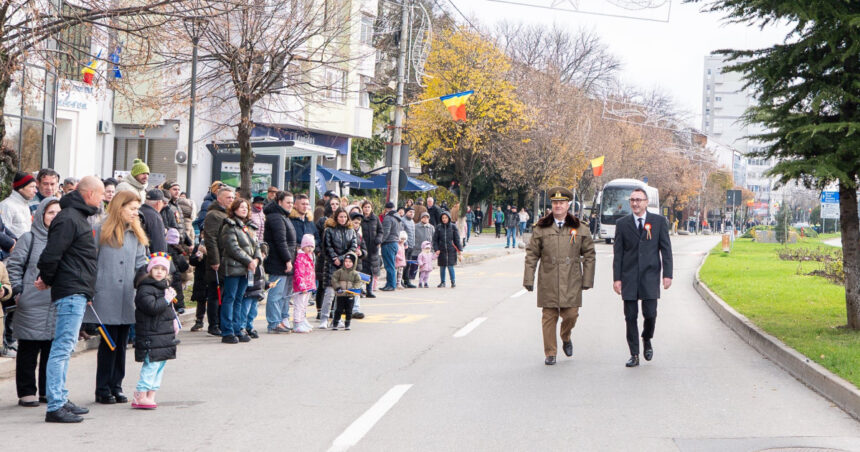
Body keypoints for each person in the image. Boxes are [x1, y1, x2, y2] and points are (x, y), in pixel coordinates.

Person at [36, 176, 104, 423]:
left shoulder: (76, 216)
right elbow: (51, 254)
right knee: (62, 348)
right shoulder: (69, 218)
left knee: (65, 347)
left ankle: (61, 398)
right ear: (90, 194)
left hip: (75, 289)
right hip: (70, 290)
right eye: (100, 195)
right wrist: (47, 278)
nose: (102, 199)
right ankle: (55, 405)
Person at [82, 190, 149, 404]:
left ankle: (116, 385)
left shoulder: (136, 233)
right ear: (120, 207)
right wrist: (89, 289)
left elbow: (141, 264)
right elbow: (89, 262)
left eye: (137, 209)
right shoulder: (100, 229)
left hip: (127, 296)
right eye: (132, 209)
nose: (135, 213)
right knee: (108, 344)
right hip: (106, 295)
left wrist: (149, 280)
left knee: (121, 343)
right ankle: (102, 388)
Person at [523, 187, 595, 366]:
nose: (558, 206)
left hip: (571, 279)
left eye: (562, 202)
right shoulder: (541, 227)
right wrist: (529, 279)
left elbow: (589, 254)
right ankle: (550, 353)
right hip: (548, 279)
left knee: (571, 315)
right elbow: (532, 255)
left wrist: (587, 280)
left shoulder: (579, 227)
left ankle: (565, 335)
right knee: (549, 316)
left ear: (568, 205)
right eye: (555, 202)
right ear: (551, 205)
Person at [8, 197, 60, 407]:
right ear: (40, 215)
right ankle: (27, 391)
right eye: (50, 212)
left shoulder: (64, 238)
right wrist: (19, 291)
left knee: (51, 351)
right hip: (31, 302)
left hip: (56, 303)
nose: (54, 217)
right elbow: (14, 266)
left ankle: (47, 390)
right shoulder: (28, 238)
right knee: (29, 350)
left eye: (58, 213)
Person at [613, 187, 673, 368]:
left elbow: (666, 250)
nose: (635, 203)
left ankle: (647, 338)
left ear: (646, 202)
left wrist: (667, 275)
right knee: (630, 317)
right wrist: (617, 278)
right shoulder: (622, 224)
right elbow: (618, 254)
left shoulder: (659, 222)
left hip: (650, 276)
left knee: (650, 314)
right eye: (632, 200)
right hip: (629, 276)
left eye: (639, 200)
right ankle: (634, 354)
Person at [131, 253, 179, 410]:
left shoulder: (164, 288)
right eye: (156, 268)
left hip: (163, 334)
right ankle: (140, 394)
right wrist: (166, 299)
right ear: (150, 270)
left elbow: (168, 310)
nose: (159, 272)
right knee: (151, 365)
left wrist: (174, 321)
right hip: (150, 333)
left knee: (159, 365)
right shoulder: (145, 288)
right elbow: (152, 308)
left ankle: (151, 394)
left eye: (163, 269)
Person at [218, 198, 262, 344]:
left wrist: (257, 259)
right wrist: (249, 261)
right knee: (229, 298)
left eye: (246, 207)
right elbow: (233, 248)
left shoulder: (249, 227)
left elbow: (256, 245)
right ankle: (227, 331)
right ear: (234, 209)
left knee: (239, 298)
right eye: (241, 207)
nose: (244, 209)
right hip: (233, 268)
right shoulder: (229, 226)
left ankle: (238, 328)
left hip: (246, 269)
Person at [202, 187, 235, 336]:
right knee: (215, 293)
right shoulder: (214, 215)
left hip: (228, 258)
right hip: (218, 259)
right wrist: (215, 260)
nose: (231, 200)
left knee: (225, 292)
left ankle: (222, 323)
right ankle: (214, 324)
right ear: (219, 198)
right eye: (228, 197)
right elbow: (211, 238)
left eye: (232, 197)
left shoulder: (228, 213)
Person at [263, 191, 296, 334]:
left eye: (292, 202)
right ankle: (274, 323)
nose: (290, 205)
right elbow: (280, 241)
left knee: (282, 294)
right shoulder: (276, 217)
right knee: (276, 294)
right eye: (288, 202)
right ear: (279, 202)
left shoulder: (282, 216)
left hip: (282, 260)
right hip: (278, 262)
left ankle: (278, 321)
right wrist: (287, 260)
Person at [319, 208, 357, 328]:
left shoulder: (351, 231)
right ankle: (324, 319)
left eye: (345, 217)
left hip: (345, 265)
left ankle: (336, 319)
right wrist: (334, 257)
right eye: (340, 216)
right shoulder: (329, 230)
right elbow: (327, 246)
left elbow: (353, 247)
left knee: (340, 295)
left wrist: (341, 258)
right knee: (329, 293)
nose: (343, 219)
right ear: (336, 217)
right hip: (331, 264)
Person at [330, 253, 362, 331]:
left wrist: (354, 289)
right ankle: (335, 323)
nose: (348, 263)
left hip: (350, 295)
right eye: (346, 261)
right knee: (339, 310)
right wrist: (337, 287)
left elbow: (358, 282)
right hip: (341, 294)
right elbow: (334, 279)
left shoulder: (355, 274)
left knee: (349, 310)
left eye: (350, 262)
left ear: (354, 263)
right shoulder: (339, 272)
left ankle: (347, 323)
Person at [291, 234, 316, 333]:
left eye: (312, 246)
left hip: (308, 286)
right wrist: (302, 286)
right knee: (299, 305)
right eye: (308, 246)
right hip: (301, 287)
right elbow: (299, 273)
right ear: (303, 246)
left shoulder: (309, 256)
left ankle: (302, 320)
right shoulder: (301, 258)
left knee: (304, 305)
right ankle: (297, 322)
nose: (310, 249)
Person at [1, 171, 38, 237]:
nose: (35, 191)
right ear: (20, 188)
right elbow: (3, 233)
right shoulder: (6, 206)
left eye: (35, 187)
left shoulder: (25, 205)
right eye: (32, 187)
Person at [359, 201, 382, 299]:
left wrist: (378, 239)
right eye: (365, 207)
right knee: (362, 270)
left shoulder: (375, 218)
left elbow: (380, 231)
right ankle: (360, 289)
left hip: (373, 248)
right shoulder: (360, 218)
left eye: (369, 207)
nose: (367, 209)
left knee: (371, 271)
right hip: (363, 248)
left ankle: (369, 290)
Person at [433, 211, 461, 288]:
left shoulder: (453, 227)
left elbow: (457, 239)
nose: (444, 219)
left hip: (451, 250)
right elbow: (435, 240)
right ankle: (442, 282)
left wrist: (459, 249)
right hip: (441, 250)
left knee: (450, 266)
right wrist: (436, 249)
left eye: (446, 218)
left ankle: (453, 281)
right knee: (442, 267)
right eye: (443, 218)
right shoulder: (438, 227)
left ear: (449, 218)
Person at [349, 210, 368, 318]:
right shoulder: (346, 233)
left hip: (357, 265)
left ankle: (355, 309)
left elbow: (365, 250)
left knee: (356, 287)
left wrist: (362, 252)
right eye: (355, 222)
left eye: (358, 223)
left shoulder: (359, 236)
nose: (356, 225)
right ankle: (346, 309)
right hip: (347, 265)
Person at [380, 202, 402, 292]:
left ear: (386, 209)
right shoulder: (397, 217)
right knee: (391, 265)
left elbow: (386, 232)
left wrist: (380, 241)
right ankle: (389, 284)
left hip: (388, 243)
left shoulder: (388, 218)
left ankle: (391, 285)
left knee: (389, 266)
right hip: (395, 243)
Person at [188, 233, 208, 332]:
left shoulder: (215, 244)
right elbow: (192, 261)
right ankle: (199, 320)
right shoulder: (198, 246)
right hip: (201, 277)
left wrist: (207, 253)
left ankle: (215, 322)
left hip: (211, 275)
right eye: (202, 234)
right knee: (201, 300)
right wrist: (198, 256)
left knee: (214, 300)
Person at [139, 189, 168, 253]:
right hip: (150, 256)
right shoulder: (155, 217)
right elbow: (159, 244)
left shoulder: (138, 211)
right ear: (158, 203)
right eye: (163, 202)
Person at [401, 207, 416, 288]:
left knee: (408, 264)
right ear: (406, 212)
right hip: (405, 246)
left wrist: (413, 244)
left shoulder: (412, 221)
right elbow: (402, 233)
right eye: (410, 212)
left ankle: (407, 280)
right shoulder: (403, 220)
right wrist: (405, 243)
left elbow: (413, 234)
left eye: (413, 212)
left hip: (411, 245)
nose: (412, 213)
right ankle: (400, 280)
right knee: (403, 264)